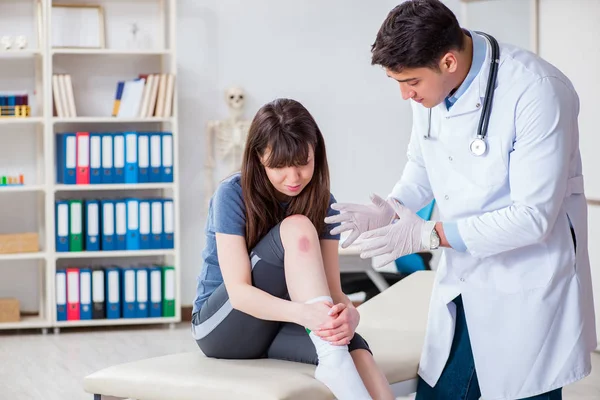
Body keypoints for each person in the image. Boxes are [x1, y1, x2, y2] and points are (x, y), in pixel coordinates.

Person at [325, 1, 596, 399]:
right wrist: (394, 207)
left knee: (520, 386)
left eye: (411, 82)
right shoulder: (433, 92)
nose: (404, 95)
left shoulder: (537, 90)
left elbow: (533, 218)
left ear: (448, 61)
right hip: (463, 279)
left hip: (525, 282)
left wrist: (429, 235)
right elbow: (423, 164)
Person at [191, 98, 393, 400]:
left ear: (316, 154)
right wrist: (305, 314)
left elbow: (333, 293)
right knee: (297, 227)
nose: (293, 177)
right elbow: (239, 292)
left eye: (302, 163)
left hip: (280, 324)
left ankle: (336, 361)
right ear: (260, 158)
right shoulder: (232, 193)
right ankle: (333, 358)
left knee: (351, 345)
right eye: (280, 166)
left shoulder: (324, 201)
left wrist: (350, 316)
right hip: (223, 327)